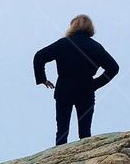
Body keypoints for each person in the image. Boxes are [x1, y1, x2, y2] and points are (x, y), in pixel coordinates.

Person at [33, 15, 119, 145]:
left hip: (64, 88)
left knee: (62, 131)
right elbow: (114, 68)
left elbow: (39, 56)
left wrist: (42, 79)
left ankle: (58, 160)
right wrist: (95, 84)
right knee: (85, 132)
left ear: (72, 26)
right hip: (86, 90)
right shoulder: (96, 47)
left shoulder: (63, 43)